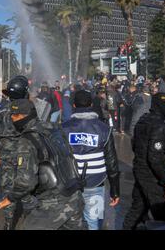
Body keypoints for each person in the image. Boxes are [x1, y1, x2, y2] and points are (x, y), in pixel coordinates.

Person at [0, 98, 87, 230]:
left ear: (21, 116)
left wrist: (10, 198)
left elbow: (26, 182)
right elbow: (69, 156)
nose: (12, 119)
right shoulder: (55, 128)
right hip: (74, 195)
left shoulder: (26, 141)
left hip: (52, 205)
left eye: (14, 116)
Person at [61, 90, 120, 230]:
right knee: (93, 223)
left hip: (70, 183)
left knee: (68, 222)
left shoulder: (63, 128)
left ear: (74, 105)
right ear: (92, 104)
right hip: (96, 183)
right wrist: (115, 191)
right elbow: (112, 162)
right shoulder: (104, 129)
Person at [123, 92, 165, 229]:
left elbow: (135, 145)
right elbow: (154, 158)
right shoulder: (159, 126)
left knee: (138, 209)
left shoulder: (143, 120)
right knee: (164, 216)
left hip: (140, 169)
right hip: (151, 175)